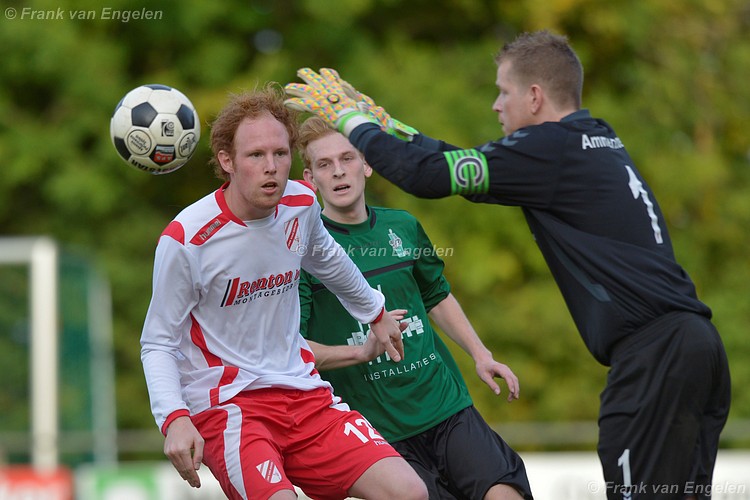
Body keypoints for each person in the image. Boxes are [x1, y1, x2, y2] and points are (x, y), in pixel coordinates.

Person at [285, 30, 731, 500]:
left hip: (655, 358)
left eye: (503, 92)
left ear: (534, 97)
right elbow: (454, 164)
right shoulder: (593, 138)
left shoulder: (549, 149)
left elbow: (425, 177)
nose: (497, 105)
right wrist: (391, 128)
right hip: (695, 345)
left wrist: (351, 118)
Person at [139, 84, 429, 500]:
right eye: (256, 155)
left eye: (280, 153)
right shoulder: (187, 238)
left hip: (304, 393)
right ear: (227, 161)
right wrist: (174, 417)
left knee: (410, 492)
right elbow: (158, 341)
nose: (271, 167)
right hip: (230, 407)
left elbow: (329, 261)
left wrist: (375, 313)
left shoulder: (301, 203)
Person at [296, 116, 533, 500]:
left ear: (367, 164)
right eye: (324, 164)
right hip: (381, 436)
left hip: (445, 407)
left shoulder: (403, 226)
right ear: (310, 178)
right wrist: (361, 351)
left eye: (347, 158)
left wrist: (480, 354)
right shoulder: (305, 254)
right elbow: (295, 351)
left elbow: (436, 295)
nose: (338, 171)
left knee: (505, 493)